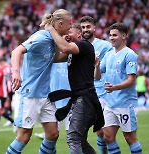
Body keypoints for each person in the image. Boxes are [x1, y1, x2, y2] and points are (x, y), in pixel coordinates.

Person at [6, 9, 72, 154]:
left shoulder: (54, 39)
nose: (71, 27)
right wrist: (16, 73)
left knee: (53, 134)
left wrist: (68, 52)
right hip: (31, 94)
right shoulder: (41, 37)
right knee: (24, 136)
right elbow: (16, 51)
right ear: (60, 24)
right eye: (70, 24)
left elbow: (54, 59)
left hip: (45, 95)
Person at [45, 23, 104, 154]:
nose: (66, 35)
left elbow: (64, 48)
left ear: (79, 34)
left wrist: (51, 29)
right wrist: (58, 38)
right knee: (81, 140)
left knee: (73, 138)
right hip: (81, 99)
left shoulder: (85, 45)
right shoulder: (73, 50)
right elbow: (56, 57)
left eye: (69, 32)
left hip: (85, 99)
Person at [96, 23, 142, 154]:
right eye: (110, 35)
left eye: (114, 35)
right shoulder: (109, 55)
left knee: (130, 138)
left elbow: (131, 80)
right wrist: (96, 66)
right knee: (108, 137)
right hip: (110, 103)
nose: (111, 38)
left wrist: (115, 87)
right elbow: (98, 77)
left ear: (124, 36)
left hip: (125, 103)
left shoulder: (130, 54)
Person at [80, 15, 113, 154]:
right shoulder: (78, 45)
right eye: (83, 27)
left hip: (101, 93)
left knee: (101, 131)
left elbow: (111, 66)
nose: (85, 29)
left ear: (94, 28)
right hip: (82, 92)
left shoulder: (105, 46)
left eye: (88, 27)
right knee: (80, 131)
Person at [35, 62, 71, 139]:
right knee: (51, 136)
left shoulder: (73, 57)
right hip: (54, 101)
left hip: (70, 101)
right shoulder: (52, 58)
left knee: (73, 136)